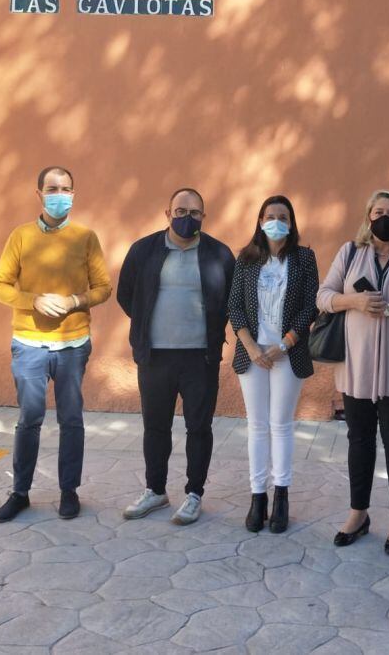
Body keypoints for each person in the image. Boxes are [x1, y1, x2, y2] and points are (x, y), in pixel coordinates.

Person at [0, 166, 112, 522]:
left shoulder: (86, 238)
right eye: (53, 188)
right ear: (39, 193)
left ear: (74, 194)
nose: (60, 194)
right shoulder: (21, 236)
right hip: (29, 344)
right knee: (30, 418)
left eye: (66, 188)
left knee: (71, 419)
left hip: (73, 345)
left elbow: (104, 287)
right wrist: (33, 300)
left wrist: (75, 301)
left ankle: (68, 491)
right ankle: (20, 492)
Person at [318, 190, 389, 555]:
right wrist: (354, 300)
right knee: (359, 439)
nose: (385, 217)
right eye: (378, 211)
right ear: (368, 217)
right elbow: (323, 295)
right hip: (356, 366)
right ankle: (359, 513)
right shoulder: (350, 253)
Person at [117, 188, 235, 525]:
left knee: (199, 427)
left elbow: (231, 299)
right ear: (167, 214)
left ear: (204, 217)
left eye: (195, 213)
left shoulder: (219, 254)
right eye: (180, 211)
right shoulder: (144, 250)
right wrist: (148, 327)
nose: (187, 218)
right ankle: (156, 490)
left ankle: (194, 494)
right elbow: (127, 295)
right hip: (155, 356)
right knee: (155, 427)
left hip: (201, 359)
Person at [227, 195, 319, 533]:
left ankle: (281, 495)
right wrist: (251, 347)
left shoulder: (304, 258)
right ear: (260, 220)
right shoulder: (247, 259)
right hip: (253, 354)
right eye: (270, 215)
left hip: (287, 352)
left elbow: (310, 306)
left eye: (283, 216)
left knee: (280, 424)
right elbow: (234, 305)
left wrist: (285, 344)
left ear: (291, 222)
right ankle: (257, 496)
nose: (276, 221)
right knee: (257, 425)